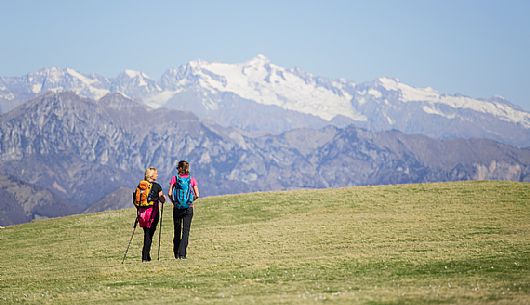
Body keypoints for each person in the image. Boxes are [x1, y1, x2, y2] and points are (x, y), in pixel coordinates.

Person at [168, 160, 199, 260]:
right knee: (186, 231)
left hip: (177, 208)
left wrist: (174, 202)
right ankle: (183, 254)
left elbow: (169, 193)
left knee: (177, 231)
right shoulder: (192, 179)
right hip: (188, 208)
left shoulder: (175, 178)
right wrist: (190, 200)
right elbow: (197, 195)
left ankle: (176, 253)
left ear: (179, 168)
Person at [139, 167, 165, 262]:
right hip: (153, 214)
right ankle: (145, 256)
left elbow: (136, 200)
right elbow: (162, 200)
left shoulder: (141, 185)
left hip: (142, 214)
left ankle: (147, 255)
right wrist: (163, 198)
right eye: (156, 173)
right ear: (152, 175)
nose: (157, 175)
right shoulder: (157, 186)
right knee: (149, 234)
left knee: (146, 233)